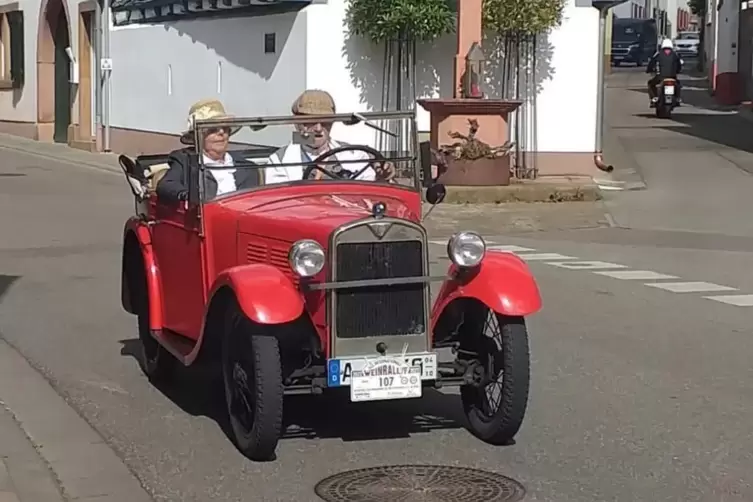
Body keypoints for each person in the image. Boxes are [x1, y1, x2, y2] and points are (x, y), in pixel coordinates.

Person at [262, 90, 395, 184]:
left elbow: (368, 192)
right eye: (311, 122)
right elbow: (280, 202)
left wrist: (381, 176)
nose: (319, 129)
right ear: (297, 124)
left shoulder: (354, 154)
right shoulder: (279, 160)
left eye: (326, 121)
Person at [157, 99, 260, 204]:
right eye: (213, 129)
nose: (221, 132)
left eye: (225, 128)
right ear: (198, 136)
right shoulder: (185, 161)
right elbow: (166, 185)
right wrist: (190, 196)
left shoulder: (247, 168)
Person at [646, 38, 683, 105]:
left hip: (660, 77)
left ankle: (654, 97)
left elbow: (652, 63)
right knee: (678, 85)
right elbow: (679, 65)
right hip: (672, 77)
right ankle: (677, 97)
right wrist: (678, 71)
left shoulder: (658, 54)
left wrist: (649, 70)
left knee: (650, 84)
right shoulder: (675, 54)